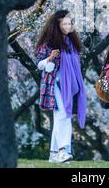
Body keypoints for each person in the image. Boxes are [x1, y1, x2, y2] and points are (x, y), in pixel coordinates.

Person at [35, 10, 87, 163]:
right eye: (64, 24)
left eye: (69, 23)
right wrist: (50, 58)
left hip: (70, 86)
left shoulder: (72, 44)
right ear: (56, 26)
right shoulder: (49, 43)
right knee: (64, 115)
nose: (67, 26)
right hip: (54, 84)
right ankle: (63, 150)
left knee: (60, 117)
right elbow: (40, 65)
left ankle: (53, 153)